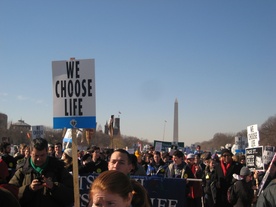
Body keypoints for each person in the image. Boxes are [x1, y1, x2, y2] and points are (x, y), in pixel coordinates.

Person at [9, 138, 74, 207]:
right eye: (36, 155)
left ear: (47, 152)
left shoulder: (58, 168)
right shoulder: (22, 169)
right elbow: (10, 195)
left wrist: (53, 187)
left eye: (42, 155)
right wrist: (29, 189)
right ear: (30, 153)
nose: (39, 159)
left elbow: (72, 195)